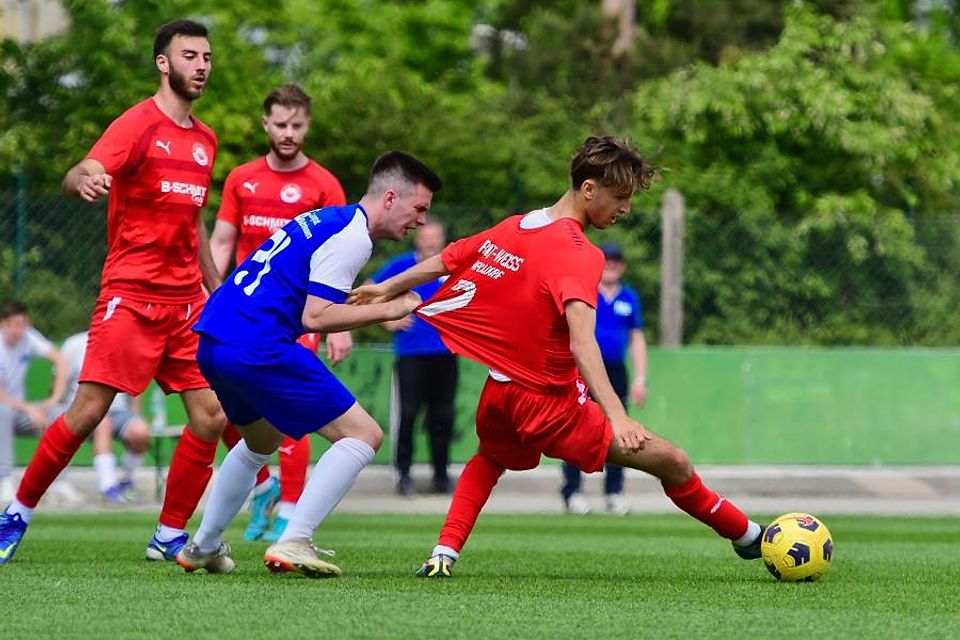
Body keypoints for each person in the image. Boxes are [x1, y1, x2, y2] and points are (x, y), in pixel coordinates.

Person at [351, 136, 766, 578]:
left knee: (488, 459)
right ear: (589, 189)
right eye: (620, 197)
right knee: (674, 461)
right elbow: (581, 343)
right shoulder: (579, 252)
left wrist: (387, 286)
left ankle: (444, 552)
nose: (625, 208)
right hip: (550, 405)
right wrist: (618, 416)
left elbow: (450, 259)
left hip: (500, 395)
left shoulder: (520, 225)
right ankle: (750, 536)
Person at [0, 19, 226, 566]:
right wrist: (85, 180)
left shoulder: (205, 141)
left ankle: (169, 533)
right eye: (189, 56)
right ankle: (17, 513)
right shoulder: (136, 124)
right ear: (163, 63)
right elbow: (84, 169)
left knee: (212, 414)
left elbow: (193, 224)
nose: (201, 65)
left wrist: (217, 292)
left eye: (207, 57)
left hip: (185, 304)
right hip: (131, 295)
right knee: (88, 411)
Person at [173, 150, 442, 578]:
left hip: (215, 340)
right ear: (390, 197)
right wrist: (390, 310)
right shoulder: (353, 236)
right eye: (419, 208)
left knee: (261, 442)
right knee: (364, 435)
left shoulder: (328, 220)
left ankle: (203, 545)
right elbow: (316, 317)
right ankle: (295, 538)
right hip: (256, 343)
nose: (422, 221)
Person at [209, 84, 352, 542]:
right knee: (228, 415)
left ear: (308, 126)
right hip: (243, 316)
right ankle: (264, 489)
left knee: (294, 406)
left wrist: (338, 318)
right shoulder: (241, 179)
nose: (289, 133)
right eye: (280, 124)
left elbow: (339, 257)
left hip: (295, 316)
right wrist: (212, 297)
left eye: (297, 125)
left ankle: (290, 510)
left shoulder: (324, 185)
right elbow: (221, 243)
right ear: (265, 125)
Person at [371, 219, 457, 496]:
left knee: (442, 416)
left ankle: (441, 476)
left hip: (445, 354)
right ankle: (404, 475)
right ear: (417, 239)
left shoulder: (454, 268)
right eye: (426, 238)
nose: (431, 243)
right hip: (411, 355)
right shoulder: (401, 266)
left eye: (436, 238)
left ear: (443, 240)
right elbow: (369, 289)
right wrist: (386, 319)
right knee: (407, 414)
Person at [560, 242, 646, 516]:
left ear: (623, 266)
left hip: (616, 372)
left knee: (619, 430)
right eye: (606, 260)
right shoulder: (585, 291)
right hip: (583, 370)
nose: (611, 265)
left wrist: (640, 378)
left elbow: (636, 338)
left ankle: (614, 492)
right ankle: (572, 491)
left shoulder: (628, 297)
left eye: (616, 261)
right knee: (576, 430)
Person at [0, 301, 81, 507]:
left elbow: (61, 361)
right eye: (12, 325)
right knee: (3, 411)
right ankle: (5, 481)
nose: (17, 330)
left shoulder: (29, 336)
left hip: (21, 412)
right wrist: (30, 408)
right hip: (7, 410)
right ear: (3, 324)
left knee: (61, 414)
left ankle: (58, 484)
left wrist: (53, 400)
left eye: (21, 324)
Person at [59, 331, 150, 503]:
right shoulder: (74, 344)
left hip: (118, 410)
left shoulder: (125, 343)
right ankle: (108, 487)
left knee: (140, 431)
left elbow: (134, 382)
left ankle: (126, 481)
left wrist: (136, 413)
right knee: (103, 425)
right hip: (82, 409)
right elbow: (59, 380)